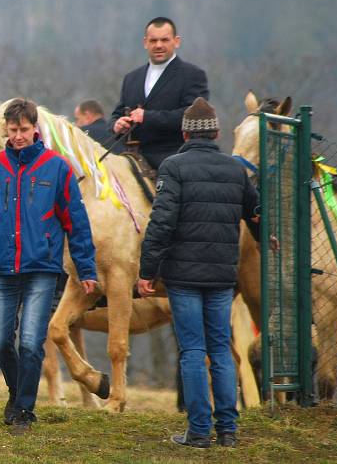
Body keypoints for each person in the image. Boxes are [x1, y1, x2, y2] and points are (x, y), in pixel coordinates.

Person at [0, 98, 98, 436]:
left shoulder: (58, 168)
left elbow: (76, 223)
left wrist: (86, 269)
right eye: (13, 130)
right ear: (6, 130)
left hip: (43, 270)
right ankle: (17, 391)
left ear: (34, 129)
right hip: (3, 270)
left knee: (32, 342)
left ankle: (23, 410)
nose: (19, 136)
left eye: (24, 130)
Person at [137, 98, 260, 449]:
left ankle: (199, 431)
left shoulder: (174, 168)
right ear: (218, 132)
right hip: (222, 276)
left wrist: (147, 270)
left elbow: (161, 222)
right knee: (220, 348)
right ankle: (228, 430)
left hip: (184, 277)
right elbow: (255, 212)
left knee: (192, 351)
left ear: (184, 133)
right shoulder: (235, 170)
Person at [110, 17, 209, 170]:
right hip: (131, 160)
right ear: (145, 43)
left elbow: (193, 117)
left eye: (164, 40)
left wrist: (147, 117)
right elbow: (117, 113)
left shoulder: (193, 75)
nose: (158, 45)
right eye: (153, 41)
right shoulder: (131, 78)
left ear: (176, 41)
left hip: (175, 160)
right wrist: (116, 125)